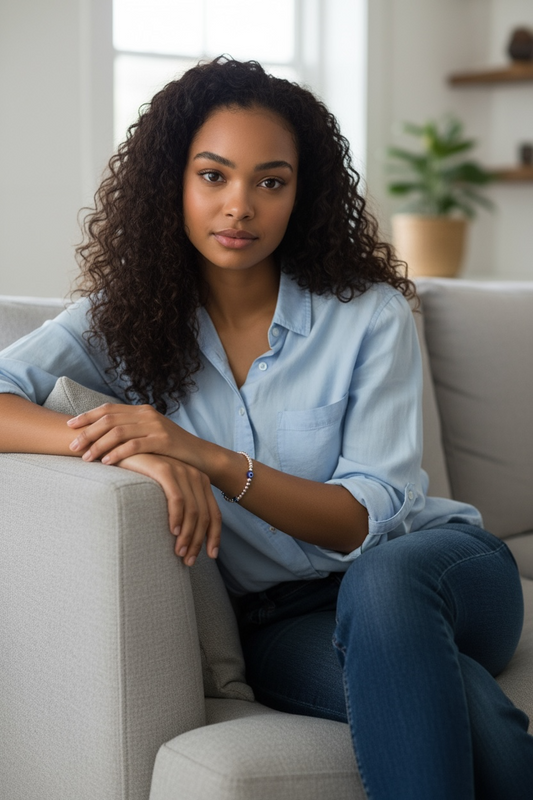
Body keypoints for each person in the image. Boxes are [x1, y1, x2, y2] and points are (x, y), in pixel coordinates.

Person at [0, 57, 531, 799]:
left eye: (270, 181)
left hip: (437, 568)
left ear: (300, 195)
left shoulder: (366, 314)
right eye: (213, 176)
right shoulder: (121, 321)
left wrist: (203, 456)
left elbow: (356, 523)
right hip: (282, 622)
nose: (239, 206)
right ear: (173, 184)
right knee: (467, 714)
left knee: (382, 586)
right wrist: (123, 450)